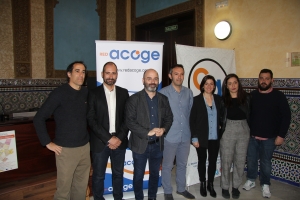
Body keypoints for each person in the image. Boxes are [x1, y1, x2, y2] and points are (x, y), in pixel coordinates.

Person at [33, 61, 90, 200]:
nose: (81, 74)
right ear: (69, 74)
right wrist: (47, 142)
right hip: (65, 151)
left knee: (80, 189)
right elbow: (39, 118)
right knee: (63, 192)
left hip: (84, 148)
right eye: (77, 71)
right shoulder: (59, 93)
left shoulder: (86, 92)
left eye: (83, 72)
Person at [125, 69, 173, 200]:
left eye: (155, 79)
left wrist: (163, 129)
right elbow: (129, 121)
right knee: (138, 175)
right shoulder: (134, 99)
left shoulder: (163, 99)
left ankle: (152, 197)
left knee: (154, 174)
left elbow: (169, 118)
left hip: (157, 145)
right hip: (140, 144)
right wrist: (147, 132)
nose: (153, 82)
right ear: (143, 80)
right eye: (149, 78)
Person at [243, 69, 291, 198]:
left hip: (270, 138)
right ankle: (251, 180)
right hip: (252, 137)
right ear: (258, 79)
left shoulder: (279, 96)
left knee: (266, 162)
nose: (263, 81)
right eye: (261, 78)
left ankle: (265, 184)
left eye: (266, 78)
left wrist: (281, 135)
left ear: (272, 80)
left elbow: (286, 117)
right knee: (251, 160)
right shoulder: (252, 95)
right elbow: (247, 115)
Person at [87, 62, 129, 200]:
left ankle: (118, 197)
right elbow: (91, 120)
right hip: (100, 142)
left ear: (117, 74)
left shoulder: (124, 93)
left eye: (113, 73)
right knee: (99, 176)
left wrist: (119, 138)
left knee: (118, 174)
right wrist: (108, 138)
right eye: (108, 73)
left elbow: (127, 119)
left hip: (119, 142)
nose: (110, 76)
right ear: (102, 74)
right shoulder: (93, 93)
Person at [159, 64, 195, 200]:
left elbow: (190, 113)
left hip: (185, 135)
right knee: (167, 165)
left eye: (181, 74)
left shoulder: (189, 93)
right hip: (169, 136)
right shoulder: (163, 93)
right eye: (176, 74)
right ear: (170, 76)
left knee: (182, 164)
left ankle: (181, 189)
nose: (179, 77)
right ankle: (167, 191)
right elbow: (160, 115)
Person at [190, 75, 222, 198]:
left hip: (215, 137)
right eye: (206, 83)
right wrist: (194, 137)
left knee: (213, 162)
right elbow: (192, 120)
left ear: (214, 86)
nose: (209, 86)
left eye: (211, 84)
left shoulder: (219, 100)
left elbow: (223, 116)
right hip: (201, 138)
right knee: (202, 161)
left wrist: (220, 126)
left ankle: (211, 184)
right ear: (202, 85)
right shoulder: (196, 100)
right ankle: (202, 184)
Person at [220, 74, 251, 199]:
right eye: (230, 83)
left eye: (235, 82)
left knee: (240, 160)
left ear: (239, 84)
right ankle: (225, 187)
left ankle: (236, 187)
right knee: (226, 160)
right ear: (226, 86)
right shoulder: (222, 100)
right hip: (228, 129)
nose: (233, 86)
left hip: (244, 129)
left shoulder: (248, 98)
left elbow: (252, 114)